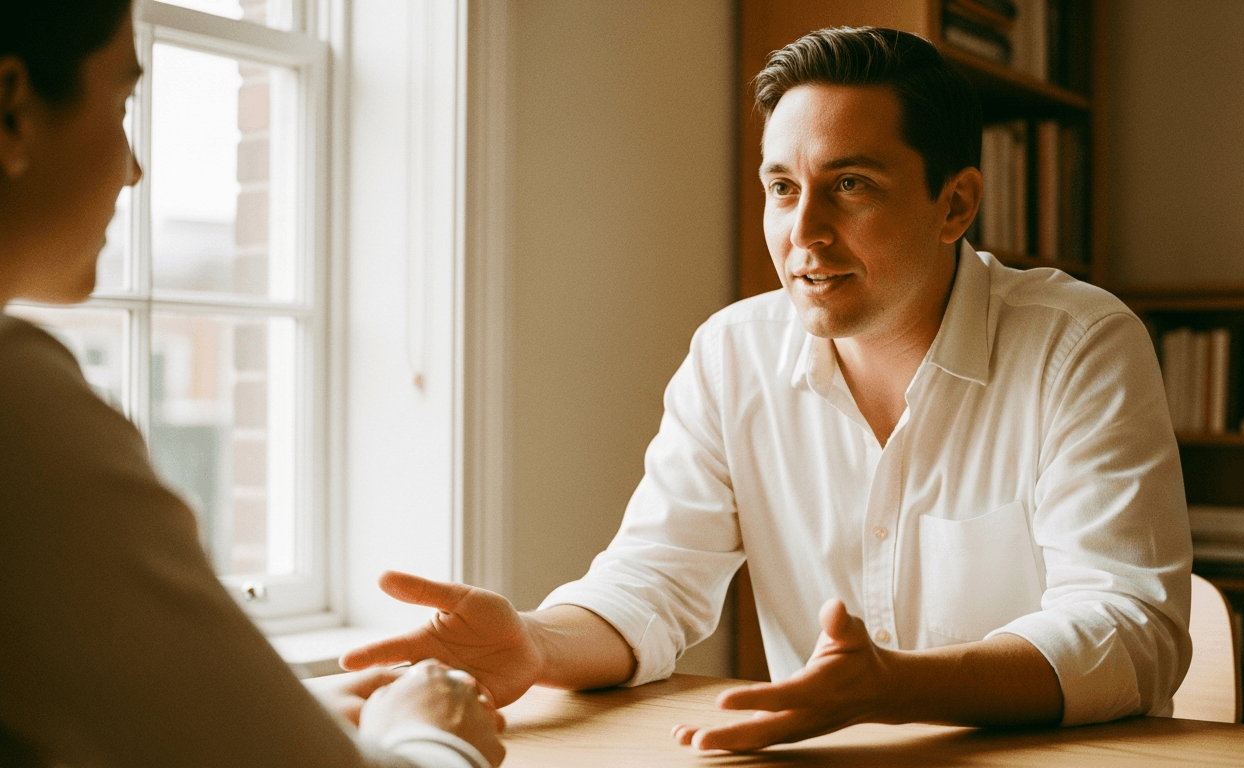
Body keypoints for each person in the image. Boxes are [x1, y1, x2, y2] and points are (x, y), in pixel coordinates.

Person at [342, 26, 1193, 752]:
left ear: (956, 203)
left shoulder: (1079, 342)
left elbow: (1130, 629)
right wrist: (533, 642)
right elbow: (652, 585)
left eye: (851, 185)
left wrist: (892, 688)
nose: (803, 233)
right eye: (783, 187)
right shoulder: (731, 354)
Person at [0, 3, 506, 766]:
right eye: (122, 103)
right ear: (12, 110)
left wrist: (276, 720)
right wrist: (433, 735)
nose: (134, 168)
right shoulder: (20, 407)